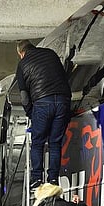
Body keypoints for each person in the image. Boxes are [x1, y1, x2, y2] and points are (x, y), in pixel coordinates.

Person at [16, 39, 72, 189]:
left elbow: (24, 96)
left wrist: (30, 112)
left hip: (42, 102)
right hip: (62, 100)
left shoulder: (22, 64)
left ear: (21, 53)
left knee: (38, 142)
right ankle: (53, 179)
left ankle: (36, 178)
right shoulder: (50, 54)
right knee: (55, 143)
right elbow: (64, 76)